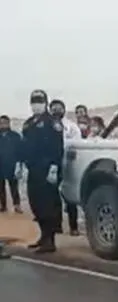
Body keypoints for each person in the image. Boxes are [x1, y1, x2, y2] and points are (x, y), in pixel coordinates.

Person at [21, 90, 64, 253]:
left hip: (47, 169)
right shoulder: (28, 123)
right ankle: (43, 235)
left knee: (48, 204)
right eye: (33, 101)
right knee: (36, 203)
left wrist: (54, 166)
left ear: (45, 102)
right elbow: (24, 145)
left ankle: (50, 240)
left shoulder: (52, 122)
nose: (36, 104)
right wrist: (21, 164)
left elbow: (57, 146)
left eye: (39, 101)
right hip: (33, 168)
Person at [50, 99, 82, 236]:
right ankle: (57, 225)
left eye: (59, 108)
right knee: (53, 195)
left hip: (69, 164)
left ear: (64, 109)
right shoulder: (48, 126)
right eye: (54, 108)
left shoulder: (72, 126)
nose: (57, 110)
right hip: (52, 165)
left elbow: (78, 145)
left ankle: (73, 227)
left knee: (69, 197)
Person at [0, 115, 23, 213]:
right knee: (0, 187)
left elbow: (20, 151)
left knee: (14, 186)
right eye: (1, 123)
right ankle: (3, 205)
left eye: (5, 122)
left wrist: (19, 164)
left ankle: (17, 205)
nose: (3, 125)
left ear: (9, 123)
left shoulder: (15, 136)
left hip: (12, 165)